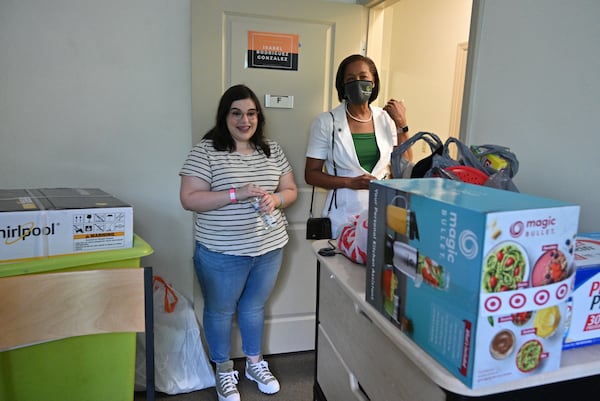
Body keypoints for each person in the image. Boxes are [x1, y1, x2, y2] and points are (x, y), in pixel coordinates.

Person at [179, 84, 298, 401]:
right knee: (219, 311)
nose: (244, 120)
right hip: (222, 253)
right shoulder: (205, 151)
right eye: (236, 113)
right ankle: (223, 369)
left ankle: (254, 363)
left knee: (254, 306)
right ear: (225, 116)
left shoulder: (271, 149)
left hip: (269, 248)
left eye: (251, 113)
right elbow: (189, 199)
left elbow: (291, 190)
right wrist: (237, 193)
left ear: (258, 116)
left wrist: (276, 199)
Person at [305, 54, 412, 237]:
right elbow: (311, 175)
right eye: (350, 79)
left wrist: (402, 123)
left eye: (363, 77)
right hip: (342, 217)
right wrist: (350, 182)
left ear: (374, 82)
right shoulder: (325, 122)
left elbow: (405, 165)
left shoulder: (386, 118)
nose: (357, 82)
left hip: (382, 212)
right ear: (342, 86)